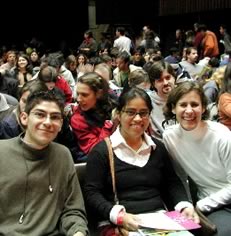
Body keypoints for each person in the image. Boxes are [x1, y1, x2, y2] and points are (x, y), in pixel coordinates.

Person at [84, 87, 199, 236]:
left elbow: (173, 183)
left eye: (143, 113)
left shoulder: (158, 148)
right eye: (130, 112)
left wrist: (184, 207)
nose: (138, 119)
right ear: (118, 114)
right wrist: (118, 215)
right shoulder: (102, 151)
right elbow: (92, 193)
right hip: (119, 222)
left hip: (160, 220)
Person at [0, 90, 88, 236]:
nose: (47, 122)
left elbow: (72, 209)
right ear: (24, 118)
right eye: (40, 114)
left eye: (54, 117)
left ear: (60, 124)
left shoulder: (63, 155)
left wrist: (77, 231)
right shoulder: (2, 152)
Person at [163, 81, 231, 236]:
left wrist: (200, 205)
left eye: (194, 104)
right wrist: (187, 205)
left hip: (209, 203)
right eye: (183, 105)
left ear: (203, 107)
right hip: (211, 206)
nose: (189, 111)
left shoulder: (221, 136)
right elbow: (179, 177)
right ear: (173, 108)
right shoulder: (170, 137)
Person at [70, 72, 117, 162]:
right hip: (101, 159)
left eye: (84, 95)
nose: (79, 99)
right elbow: (96, 150)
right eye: (78, 94)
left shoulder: (113, 103)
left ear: (99, 93)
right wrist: (109, 125)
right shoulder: (77, 119)